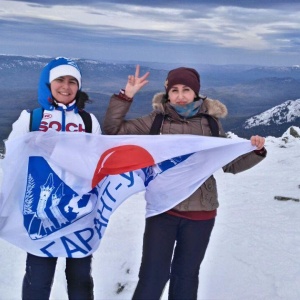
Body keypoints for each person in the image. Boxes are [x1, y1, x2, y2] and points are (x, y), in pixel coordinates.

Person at [103, 65, 267, 300]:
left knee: (186, 276)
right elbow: (113, 132)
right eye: (174, 90)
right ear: (167, 93)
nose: (180, 96)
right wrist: (126, 95)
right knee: (153, 275)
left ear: (196, 93)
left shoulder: (210, 125)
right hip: (163, 210)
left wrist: (256, 151)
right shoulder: (155, 122)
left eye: (186, 90)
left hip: (201, 211)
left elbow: (230, 164)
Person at [8, 57, 101, 300]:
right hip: (41, 214)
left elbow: (98, 164)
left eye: (72, 81)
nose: (66, 87)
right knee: (37, 282)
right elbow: (12, 166)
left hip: (79, 214)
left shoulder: (89, 121)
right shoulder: (30, 119)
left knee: (81, 283)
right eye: (60, 79)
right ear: (48, 84)